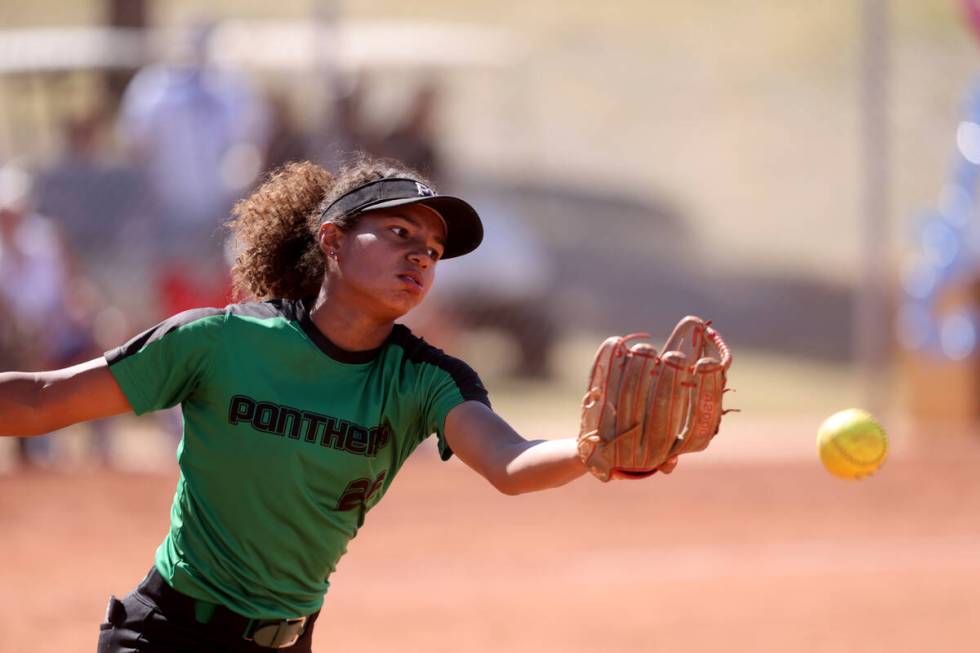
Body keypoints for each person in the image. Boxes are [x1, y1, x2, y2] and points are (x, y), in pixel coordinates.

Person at [0, 155, 679, 652]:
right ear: (332, 239)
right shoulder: (221, 341)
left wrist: (592, 452)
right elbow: (38, 400)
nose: (421, 257)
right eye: (400, 235)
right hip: (169, 635)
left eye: (435, 250)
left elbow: (509, 459)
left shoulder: (422, 378)